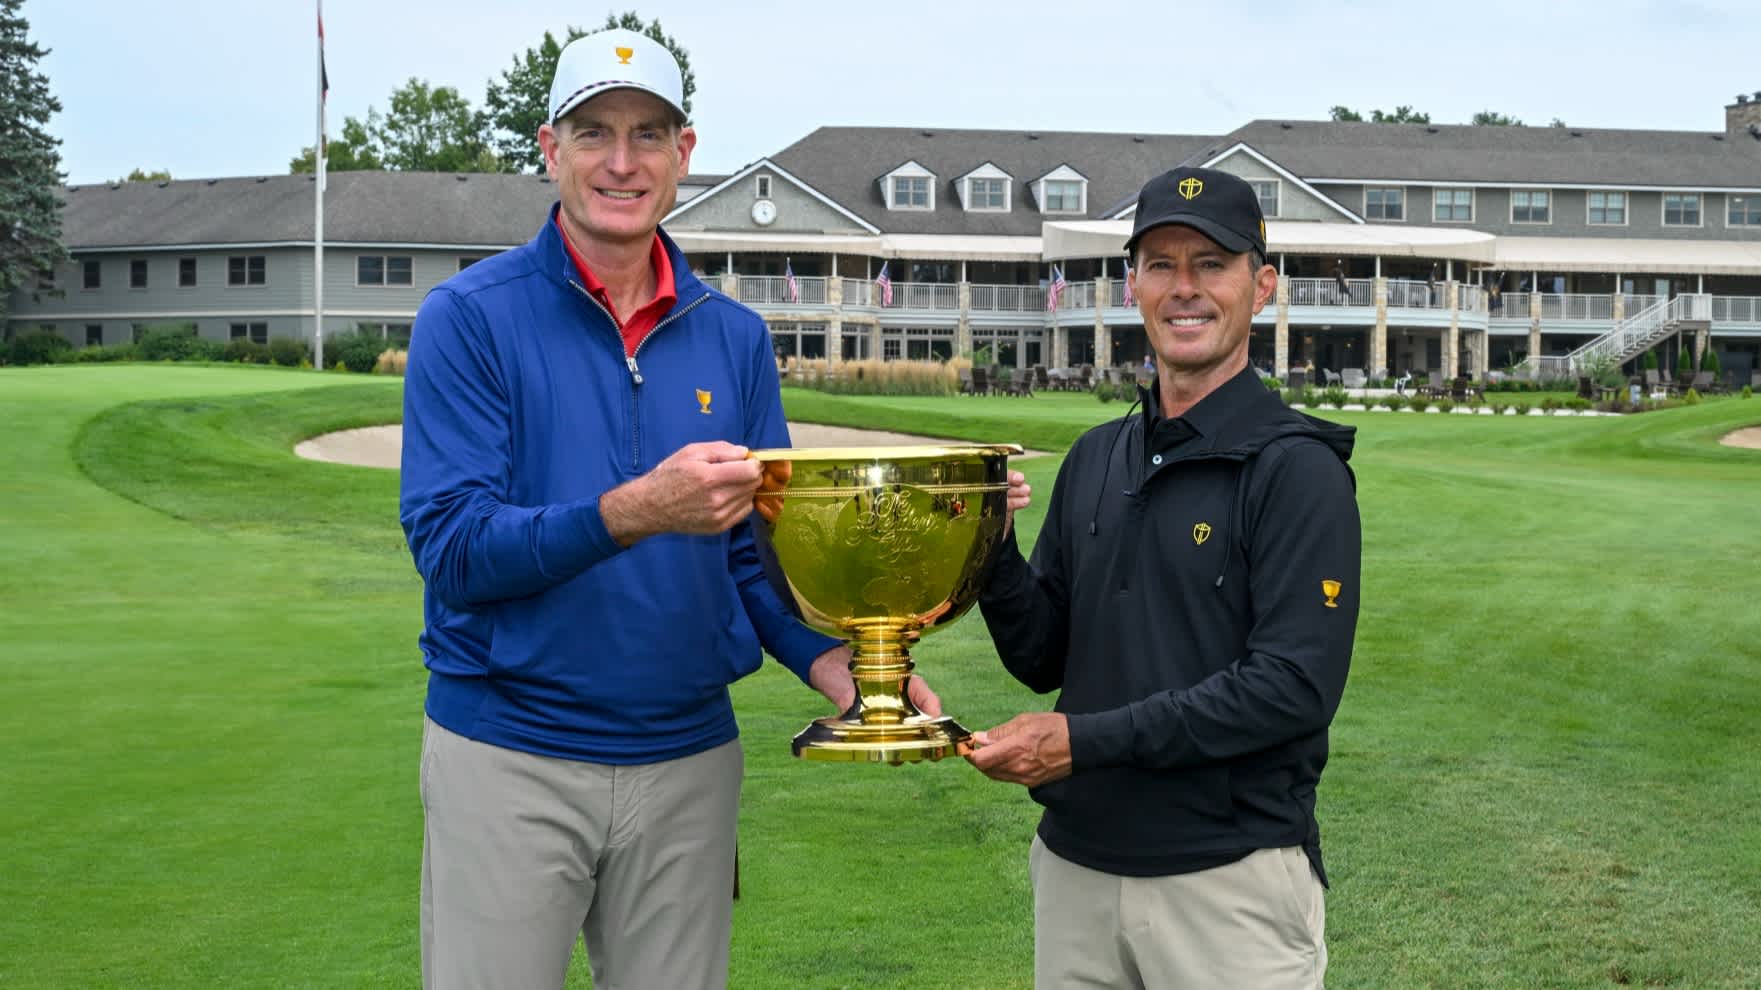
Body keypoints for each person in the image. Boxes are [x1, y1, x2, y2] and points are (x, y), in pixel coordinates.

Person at [398, 29, 940, 990]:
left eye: (649, 133)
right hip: (510, 753)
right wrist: (636, 510)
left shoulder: (731, 336)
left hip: (688, 757)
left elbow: (754, 556)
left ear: (685, 153)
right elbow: (454, 549)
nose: (621, 161)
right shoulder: (471, 316)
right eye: (593, 131)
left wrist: (835, 664)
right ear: (548, 146)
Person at [964, 166, 1361, 989]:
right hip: (1075, 872)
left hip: (1226, 883)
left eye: (1209, 265)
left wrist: (1080, 742)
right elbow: (1043, 656)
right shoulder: (1095, 457)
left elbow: (1290, 687)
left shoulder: (1297, 469)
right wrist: (990, 547)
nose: (1184, 289)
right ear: (1132, 285)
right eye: (1160, 264)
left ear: (1260, 287)